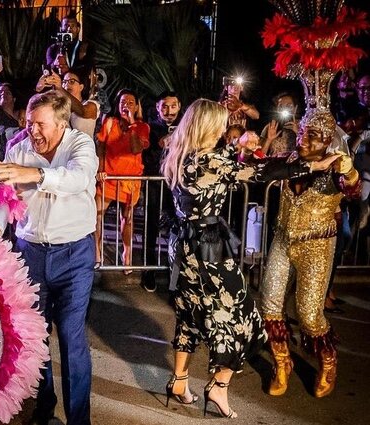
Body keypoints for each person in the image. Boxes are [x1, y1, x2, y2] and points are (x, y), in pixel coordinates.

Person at [160, 98, 337, 418]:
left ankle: (179, 380)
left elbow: (222, 163)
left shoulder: (179, 153)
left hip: (182, 246)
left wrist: (238, 146)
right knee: (246, 323)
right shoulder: (211, 161)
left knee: (188, 315)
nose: (224, 129)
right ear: (207, 127)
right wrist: (313, 165)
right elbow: (261, 171)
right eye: (220, 124)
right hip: (206, 250)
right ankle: (219, 386)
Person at [0, 90, 98, 425]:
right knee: (35, 337)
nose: (32, 130)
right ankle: (44, 408)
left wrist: (33, 174)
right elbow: (6, 200)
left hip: (74, 254)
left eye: (40, 124)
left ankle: (79, 420)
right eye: (29, 122)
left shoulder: (80, 145)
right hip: (30, 252)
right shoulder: (17, 146)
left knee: (70, 334)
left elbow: (79, 178)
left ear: (62, 123)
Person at [260, 110, 360, 399]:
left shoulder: (336, 168)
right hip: (282, 240)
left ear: (328, 142)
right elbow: (261, 168)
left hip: (316, 246)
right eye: (302, 133)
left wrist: (350, 171)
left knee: (309, 314)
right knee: (269, 302)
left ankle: (328, 363)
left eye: (312, 136)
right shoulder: (291, 161)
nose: (303, 140)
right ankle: (282, 364)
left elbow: (352, 190)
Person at [95, 88, 150, 270]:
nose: (126, 105)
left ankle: (127, 253)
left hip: (130, 180)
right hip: (109, 177)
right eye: (122, 102)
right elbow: (101, 147)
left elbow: (136, 149)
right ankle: (97, 252)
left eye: (130, 102)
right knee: (97, 214)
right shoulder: (110, 122)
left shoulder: (142, 127)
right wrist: (100, 169)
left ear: (136, 107)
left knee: (127, 218)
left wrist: (133, 123)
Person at [142, 91, 181, 291]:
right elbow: (148, 154)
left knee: (178, 227)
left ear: (180, 107)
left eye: (173, 106)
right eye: (164, 106)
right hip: (155, 183)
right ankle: (149, 270)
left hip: (177, 185)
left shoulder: (185, 127)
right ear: (157, 108)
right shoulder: (150, 127)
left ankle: (176, 270)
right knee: (151, 226)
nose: (169, 111)